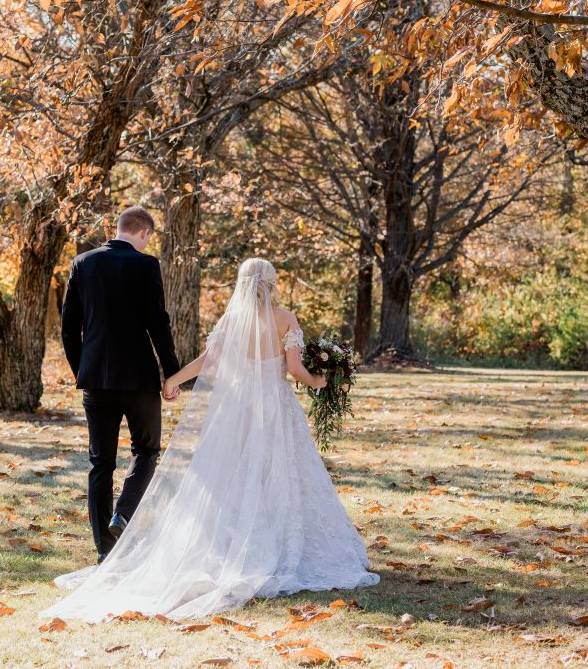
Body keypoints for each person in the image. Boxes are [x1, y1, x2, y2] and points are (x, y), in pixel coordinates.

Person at [44, 257, 379, 621]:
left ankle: (231, 545)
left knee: (232, 477)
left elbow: (208, 361)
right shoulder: (285, 319)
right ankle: (276, 545)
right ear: (271, 283)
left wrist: (173, 380)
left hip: (235, 410)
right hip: (273, 408)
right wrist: (320, 382)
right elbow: (296, 369)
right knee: (279, 472)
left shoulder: (232, 320)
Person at [60, 205, 182, 564]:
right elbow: (158, 323)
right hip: (138, 378)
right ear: (143, 232)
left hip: (95, 379)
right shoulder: (145, 265)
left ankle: (104, 550)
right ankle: (123, 513)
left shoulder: (82, 263)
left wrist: (81, 369)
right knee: (146, 450)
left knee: (100, 463)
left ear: (119, 228)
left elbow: (69, 327)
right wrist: (171, 374)